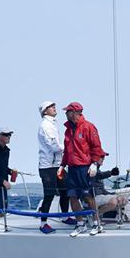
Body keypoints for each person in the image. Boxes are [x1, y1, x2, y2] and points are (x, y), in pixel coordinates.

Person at [58, 102, 106, 236]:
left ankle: (97, 224)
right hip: (72, 168)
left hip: (85, 168)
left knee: (88, 196)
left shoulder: (89, 127)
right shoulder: (68, 130)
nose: (65, 114)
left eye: (67, 111)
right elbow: (67, 151)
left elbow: (97, 147)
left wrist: (95, 164)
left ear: (74, 112)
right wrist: (62, 165)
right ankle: (80, 224)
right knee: (72, 196)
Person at [36, 100, 69, 234]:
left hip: (57, 165)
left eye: (54, 106)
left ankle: (65, 217)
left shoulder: (52, 124)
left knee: (65, 190)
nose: (54, 108)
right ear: (45, 111)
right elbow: (53, 146)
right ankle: (43, 223)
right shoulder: (46, 125)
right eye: (50, 107)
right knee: (49, 194)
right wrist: (67, 149)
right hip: (47, 167)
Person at [88, 153, 122, 219]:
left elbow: (102, 190)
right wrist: (111, 173)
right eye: (101, 156)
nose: (103, 158)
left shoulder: (98, 170)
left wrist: (113, 194)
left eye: (103, 157)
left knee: (123, 199)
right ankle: (95, 216)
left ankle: (99, 214)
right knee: (114, 201)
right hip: (93, 197)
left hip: (100, 196)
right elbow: (98, 175)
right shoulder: (91, 169)